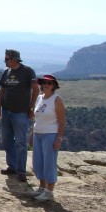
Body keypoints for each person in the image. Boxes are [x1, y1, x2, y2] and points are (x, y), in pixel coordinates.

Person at [0, 49, 39, 182]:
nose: (5, 61)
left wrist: (31, 108)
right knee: (7, 140)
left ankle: (21, 171)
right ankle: (12, 166)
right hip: (6, 111)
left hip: (21, 112)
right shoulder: (7, 72)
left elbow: (35, 89)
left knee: (21, 142)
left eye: (7, 59)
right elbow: (2, 91)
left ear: (15, 59)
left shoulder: (27, 71)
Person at [29, 74, 66, 202]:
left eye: (49, 83)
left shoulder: (57, 100)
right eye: (44, 82)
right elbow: (36, 119)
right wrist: (32, 134)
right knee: (38, 161)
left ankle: (49, 191)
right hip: (38, 133)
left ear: (54, 86)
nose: (46, 85)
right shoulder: (39, 98)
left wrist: (58, 139)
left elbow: (61, 121)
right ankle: (41, 187)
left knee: (49, 162)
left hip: (50, 134)